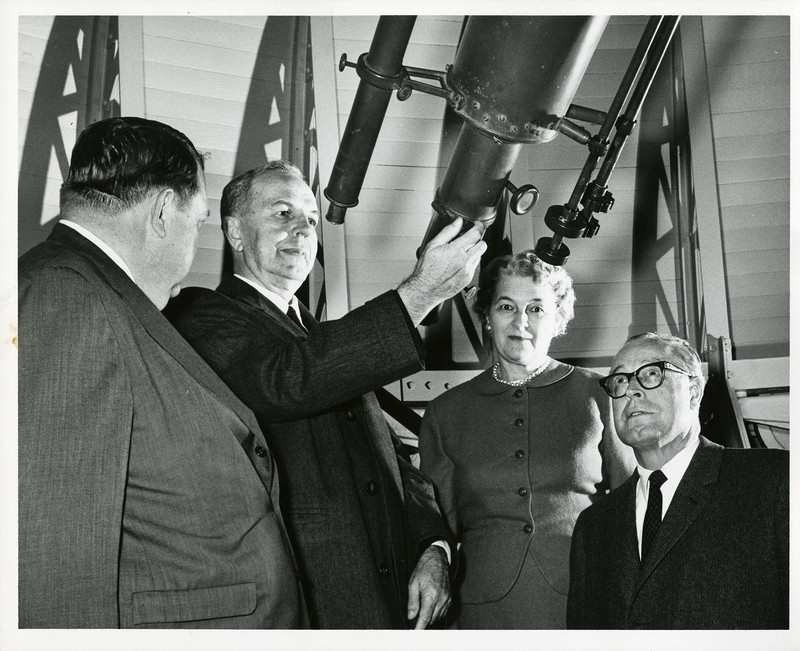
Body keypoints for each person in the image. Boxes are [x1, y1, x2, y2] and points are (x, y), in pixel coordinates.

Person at [165, 160, 487, 629]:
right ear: (235, 232)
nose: (302, 229)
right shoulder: (202, 316)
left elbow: (394, 461)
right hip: (309, 609)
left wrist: (432, 547)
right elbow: (287, 382)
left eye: (312, 219)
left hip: (387, 604)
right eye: (281, 213)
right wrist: (417, 297)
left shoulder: (321, 338)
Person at [18, 117, 304, 629]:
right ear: (162, 212)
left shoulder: (97, 296)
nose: (195, 246)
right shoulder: (67, 299)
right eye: (197, 223)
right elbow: (53, 553)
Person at [417, 251, 635, 629]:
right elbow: (437, 527)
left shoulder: (597, 395)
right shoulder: (445, 413)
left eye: (536, 309)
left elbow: (634, 504)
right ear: (487, 316)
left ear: (558, 320)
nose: (521, 322)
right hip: (484, 610)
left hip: (586, 599)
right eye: (506, 306)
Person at [567, 332, 789, 629]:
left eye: (651, 373)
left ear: (694, 391)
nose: (631, 389)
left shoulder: (772, 482)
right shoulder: (593, 527)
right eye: (619, 380)